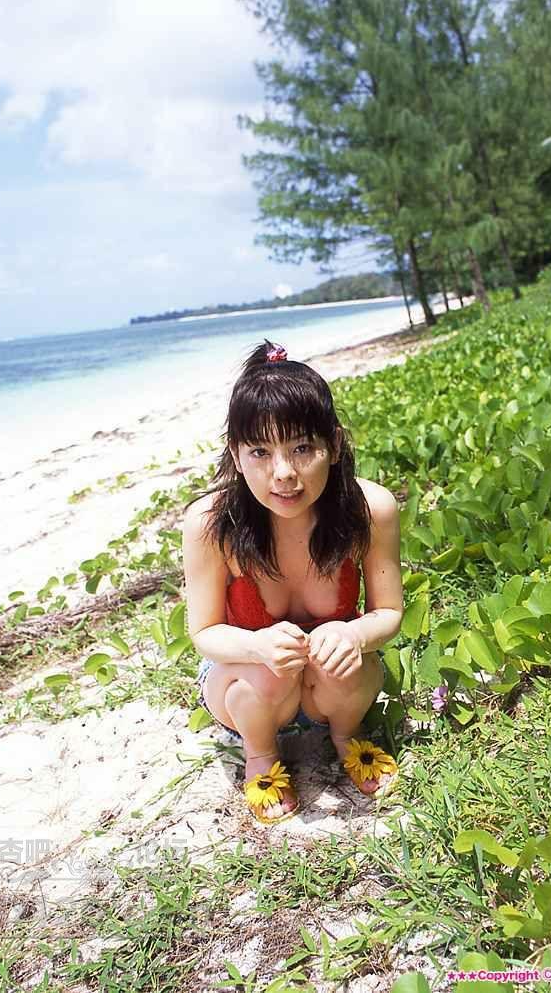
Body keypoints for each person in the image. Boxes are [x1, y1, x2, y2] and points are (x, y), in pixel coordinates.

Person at [182, 339, 403, 824]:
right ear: (236, 455)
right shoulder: (211, 524)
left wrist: (352, 634)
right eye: (260, 452)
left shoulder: (370, 509)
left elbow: (388, 613)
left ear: (334, 445)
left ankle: (347, 736)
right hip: (245, 684)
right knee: (265, 673)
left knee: (344, 663)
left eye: (302, 448)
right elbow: (204, 633)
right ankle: (260, 755)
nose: (283, 473)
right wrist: (257, 646)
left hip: (334, 685)